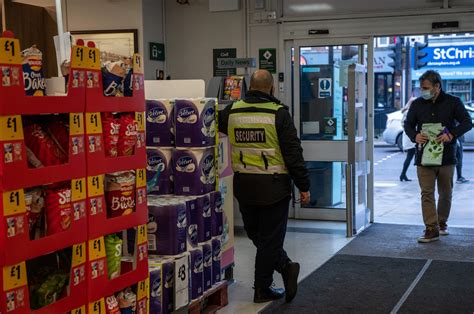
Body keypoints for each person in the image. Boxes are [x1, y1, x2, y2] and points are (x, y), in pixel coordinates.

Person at [219, 70, 310, 303]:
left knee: (257, 234)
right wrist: (304, 185)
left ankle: (285, 269)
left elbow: (212, 129)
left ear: (249, 86)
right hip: (274, 187)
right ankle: (263, 288)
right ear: (270, 88)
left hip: (244, 186)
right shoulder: (278, 113)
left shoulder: (231, 111)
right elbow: (293, 152)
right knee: (269, 238)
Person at [404, 70, 472, 243]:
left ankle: (441, 223)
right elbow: (408, 124)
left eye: (426, 88)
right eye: (421, 88)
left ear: (437, 86)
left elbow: (467, 122)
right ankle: (431, 228)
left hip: (447, 157)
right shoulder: (418, 104)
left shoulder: (453, 102)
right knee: (426, 193)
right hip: (424, 157)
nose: (422, 91)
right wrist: (415, 136)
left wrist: (452, 134)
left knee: (445, 193)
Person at [400, 97, 417, 182]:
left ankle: (403, 174)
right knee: (411, 156)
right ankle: (403, 174)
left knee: (411, 156)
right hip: (410, 138)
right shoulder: (408, 112)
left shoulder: (410, 111)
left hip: (411, 137)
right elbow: (404, 124)